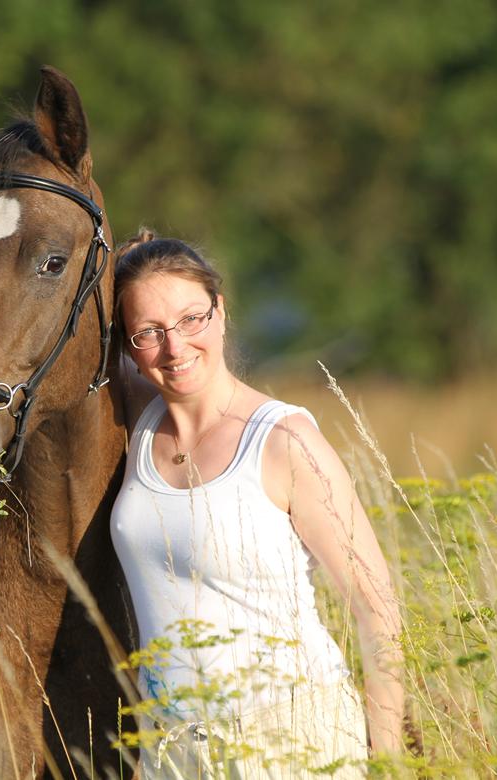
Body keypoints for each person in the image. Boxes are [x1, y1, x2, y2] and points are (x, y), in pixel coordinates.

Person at [109, 229, 404, 778]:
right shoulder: (137, 425)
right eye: (149, 332)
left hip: (288, 736)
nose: (175, 347)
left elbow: (376, 608)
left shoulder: (282, 440)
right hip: (170, 749)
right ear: (128, 344)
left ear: (220, 312)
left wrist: (387, 761)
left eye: (192, 318)